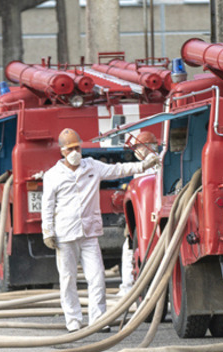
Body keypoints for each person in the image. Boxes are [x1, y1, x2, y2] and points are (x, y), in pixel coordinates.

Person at [41, 129, 159, 332]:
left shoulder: (92, 167)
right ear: (62, 151)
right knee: (67, 279)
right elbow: (47, 205)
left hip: (88, 233)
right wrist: (47, 231)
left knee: (97, 277)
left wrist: (143, 165)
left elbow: (118, 169)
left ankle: (98, 319)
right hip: (65, 234)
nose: (75, 152)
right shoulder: (52, 176)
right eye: (70, 149)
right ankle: (73, 321)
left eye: (77, 147)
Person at [118, 132, 160, 297]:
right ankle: (129, 288)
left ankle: (128, 289)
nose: (135, 151)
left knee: (130, 250)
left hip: (146, 218)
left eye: (137, 147)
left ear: (146, 146)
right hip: (145, 216)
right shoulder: (156, 163)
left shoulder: (153, 166)